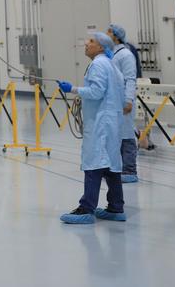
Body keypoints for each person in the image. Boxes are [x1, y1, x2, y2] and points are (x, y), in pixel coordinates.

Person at [57, 31, 126, 224]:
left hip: (100, 121)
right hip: (112, 120)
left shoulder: (97, 64)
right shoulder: (112, 65)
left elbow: (96, 92)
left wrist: (73, 89)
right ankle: (116, 207)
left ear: (102, 47)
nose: (86, 44)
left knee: (94, 163)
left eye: (91, 42)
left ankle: (86, 208)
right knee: (111, 165)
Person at [108, 24, 139, 183]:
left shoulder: (126, 54)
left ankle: (130, 170)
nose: (106, 34)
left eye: (109, 32)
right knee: (116, 136)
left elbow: (130, 79)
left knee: (127, 136)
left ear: (115, 36)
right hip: (114, 103)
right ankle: (117, 169)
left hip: (124, 103)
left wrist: (128, 100)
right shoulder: (113, 53)